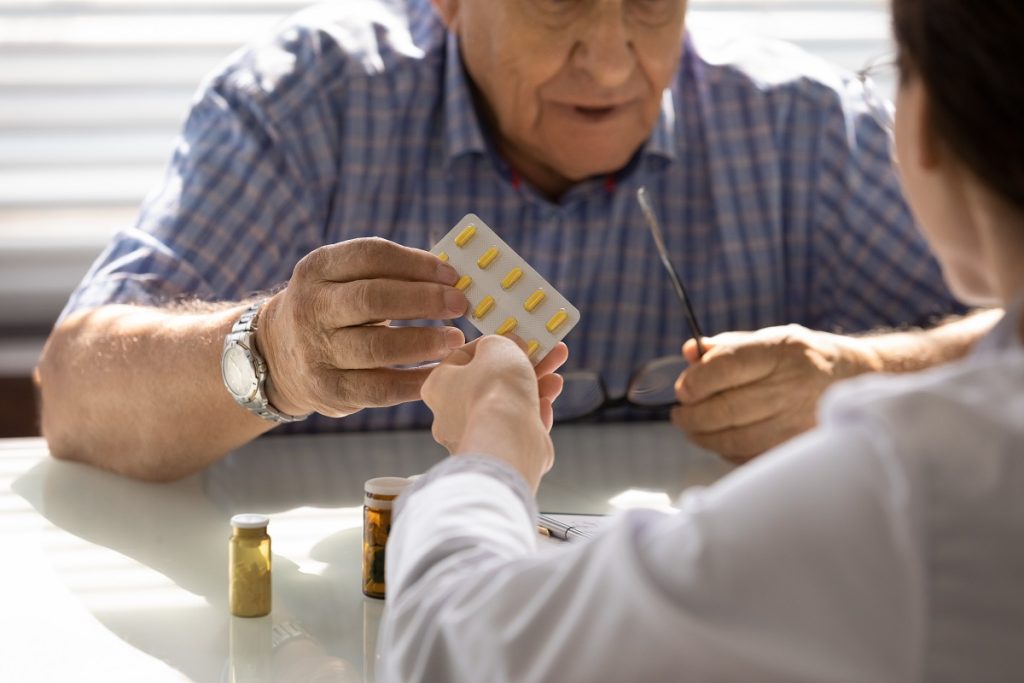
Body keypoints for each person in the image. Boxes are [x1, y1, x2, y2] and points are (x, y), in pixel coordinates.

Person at [36, 0, 995, 481]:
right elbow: (74, 394)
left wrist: (867, 370)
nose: (615, 59)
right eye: (560, 1)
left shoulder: (797, 130)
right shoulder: (308, 109)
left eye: (653, 3)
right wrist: (274, 353)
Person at [379, 0, 1024, 679]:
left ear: (921, 132)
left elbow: (449, 651)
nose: (607, 63)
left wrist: (493, 439)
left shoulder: (905, 487)